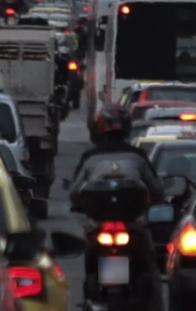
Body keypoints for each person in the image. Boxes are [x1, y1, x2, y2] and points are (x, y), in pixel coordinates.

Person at [69, 104, 165, 311]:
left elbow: (74, 192)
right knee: (151, 266)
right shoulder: (137, 156)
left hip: (106, 227)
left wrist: (78, 204)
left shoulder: (90, 157)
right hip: (130, 227)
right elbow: (157, 190)